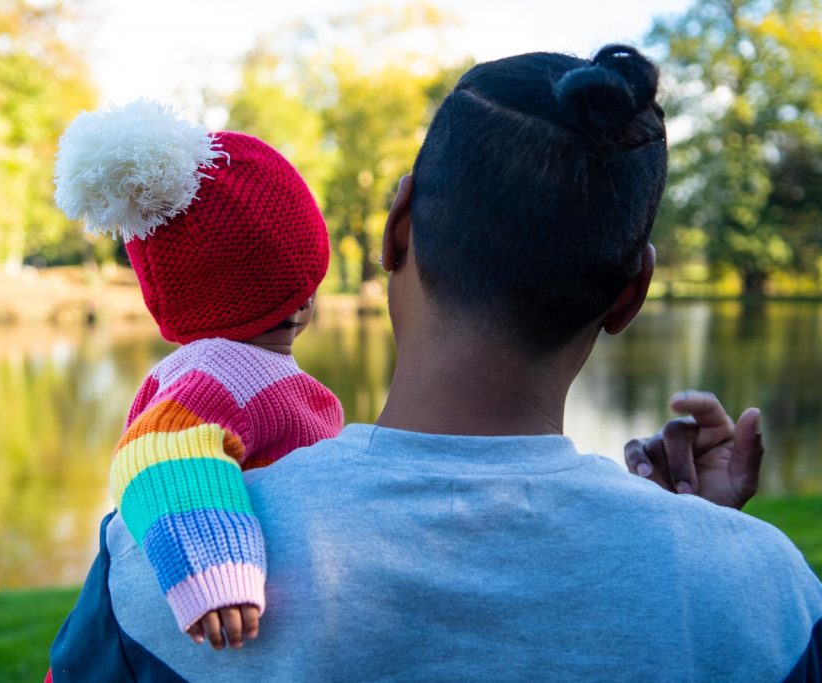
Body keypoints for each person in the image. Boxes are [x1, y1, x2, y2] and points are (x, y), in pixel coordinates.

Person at [49, 45, 822, 681]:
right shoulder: (771, 597)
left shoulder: (156, 570)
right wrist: (700, 549)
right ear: (632, 293)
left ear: (395, 228)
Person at [52, 101, 343, 644]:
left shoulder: (242, 370)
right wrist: (215, 566)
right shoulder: (222, 374)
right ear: (304, 298)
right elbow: (156, 452)